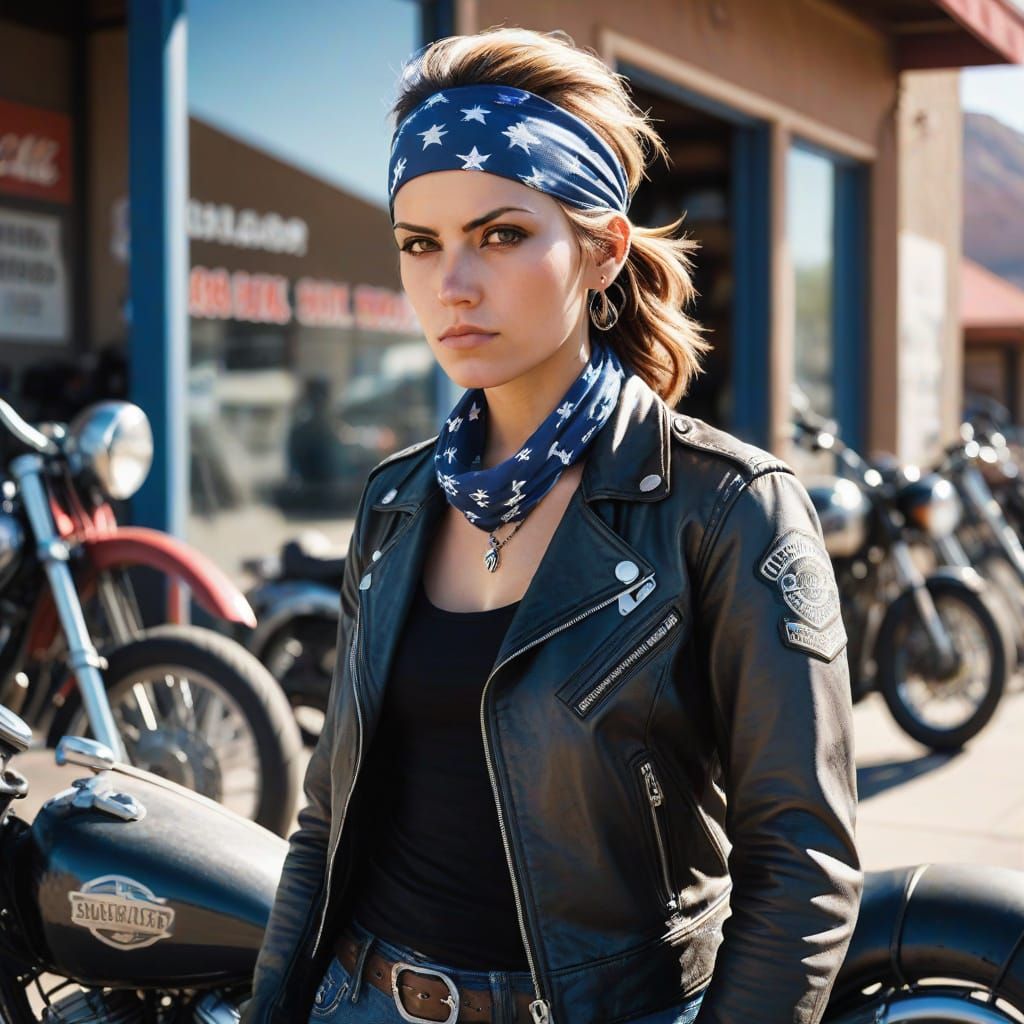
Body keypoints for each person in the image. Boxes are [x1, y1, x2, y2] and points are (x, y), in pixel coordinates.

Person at [242, 26, 861, 1024]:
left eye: (498, 235)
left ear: (602, 249)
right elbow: (325, 818)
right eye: (419, 243)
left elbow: (802, 860)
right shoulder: (394, 503)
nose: (451, 284)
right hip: (360, 998)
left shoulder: (723, 505)